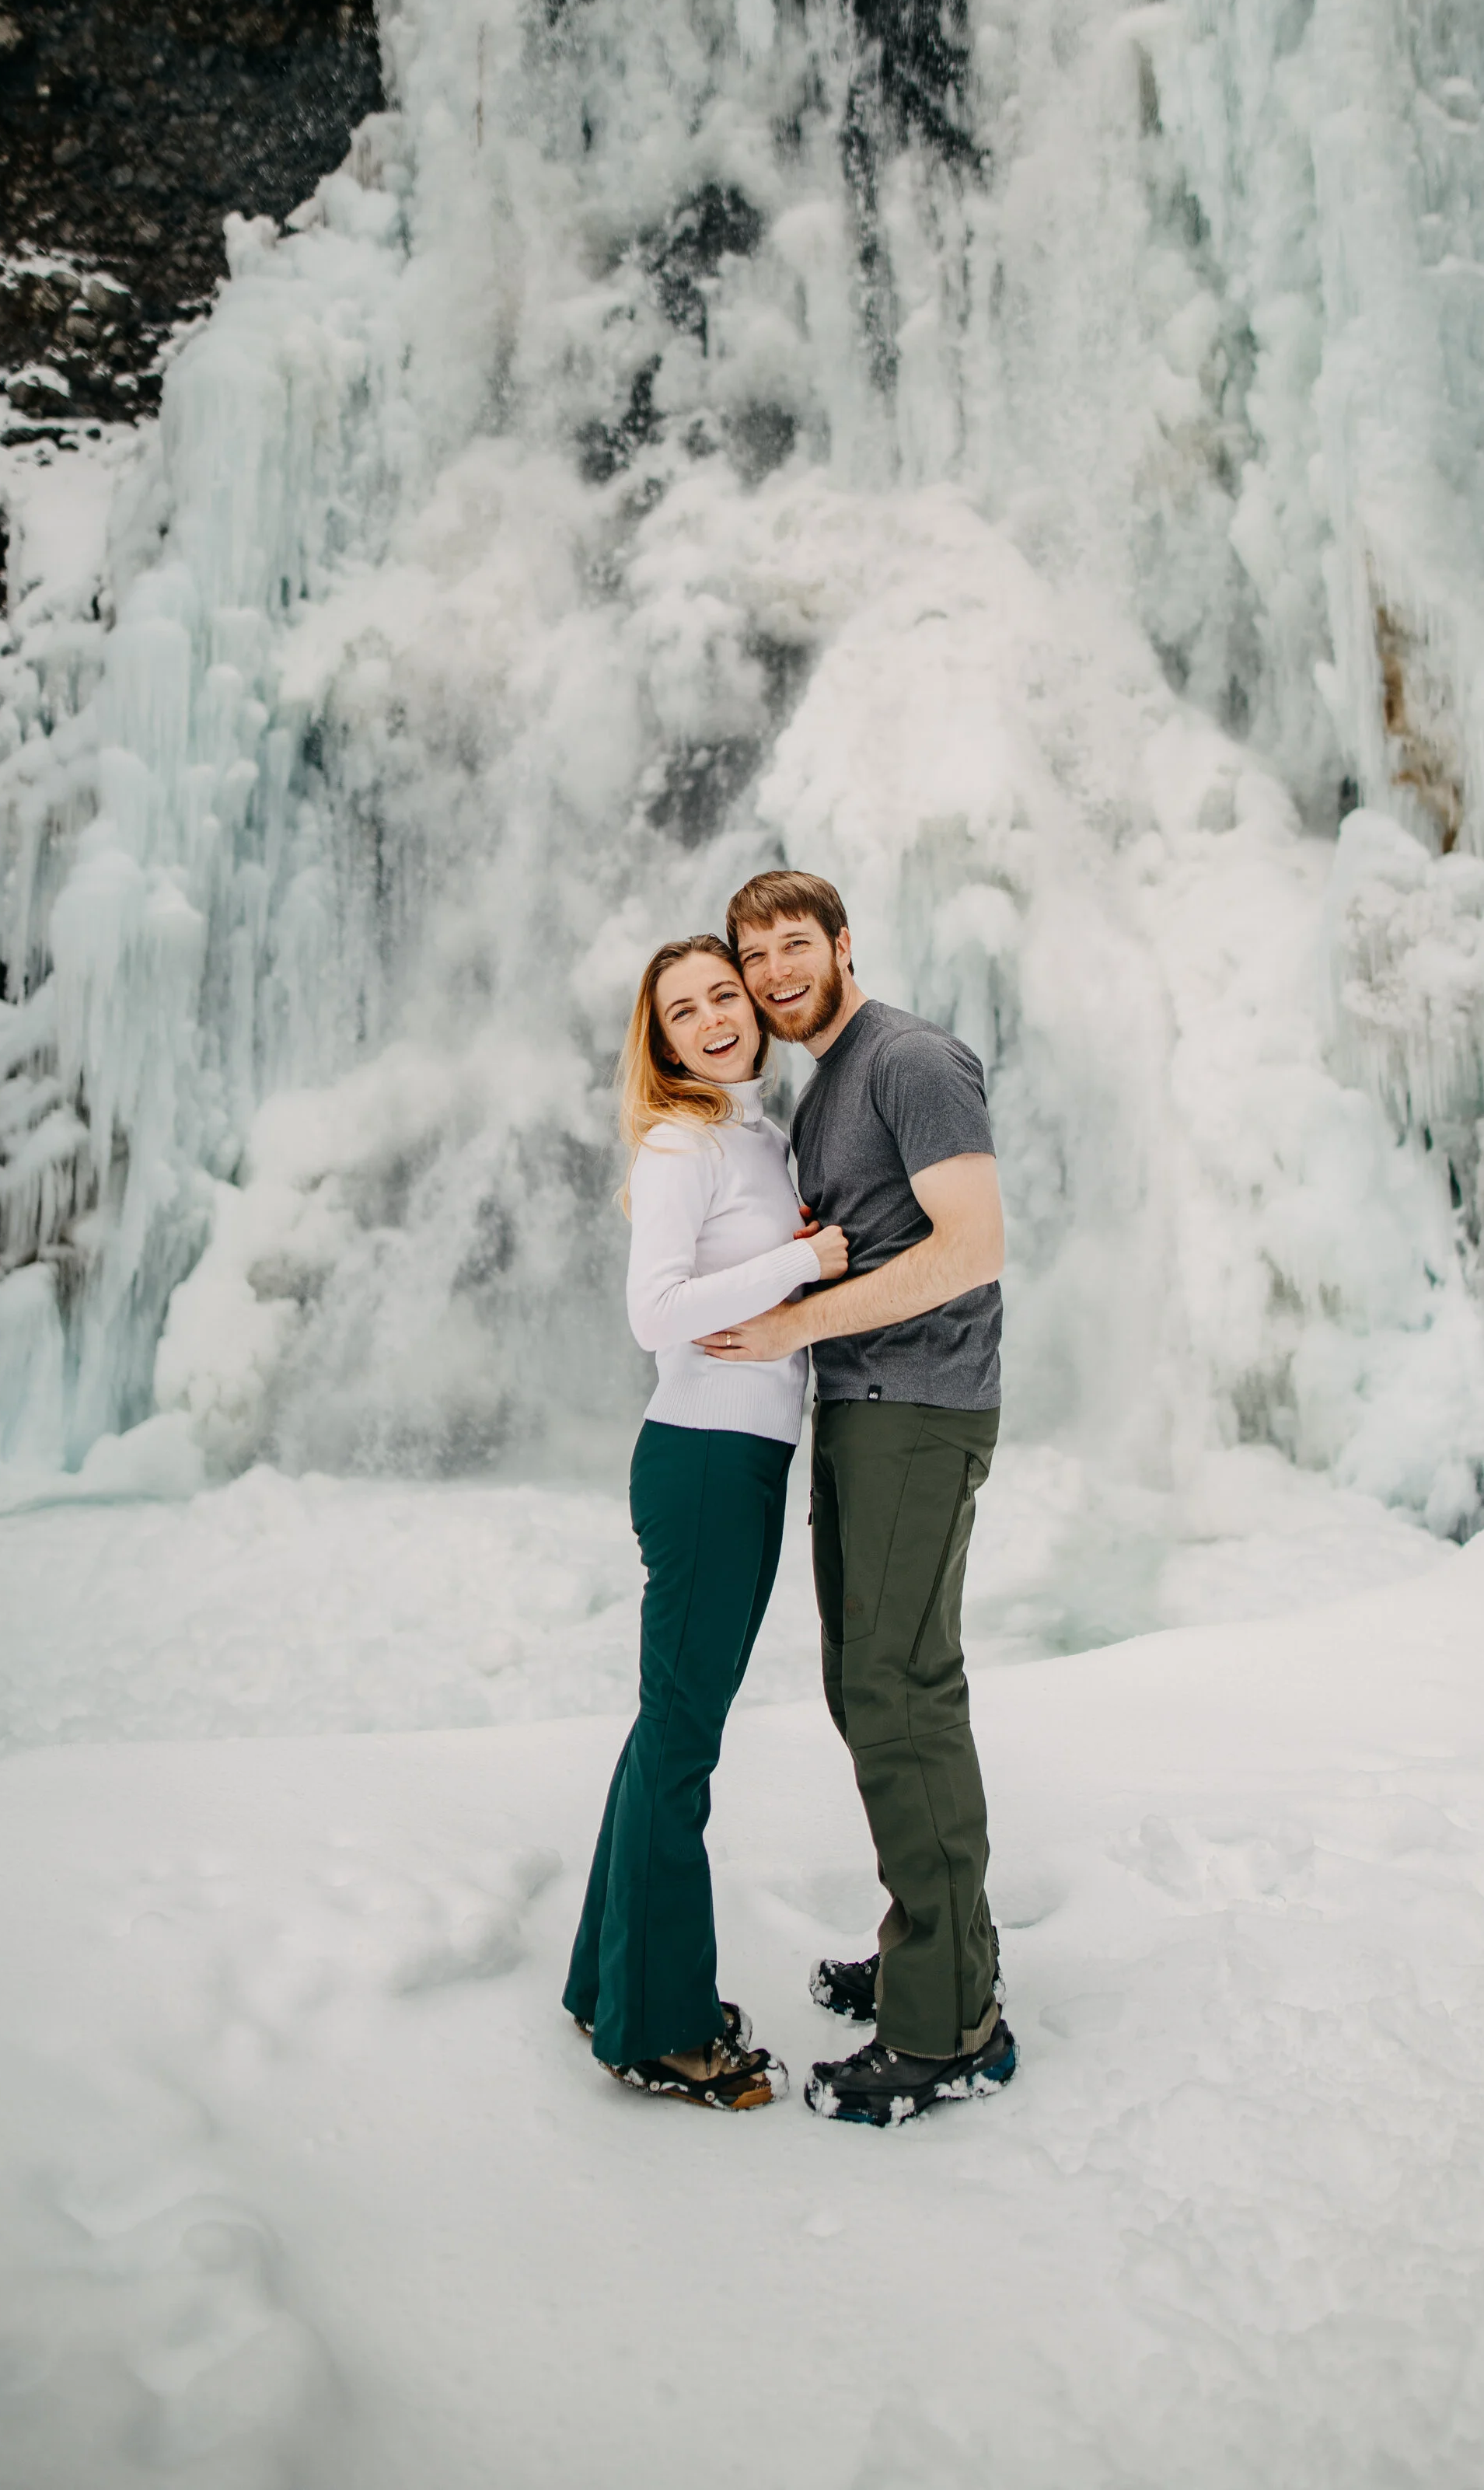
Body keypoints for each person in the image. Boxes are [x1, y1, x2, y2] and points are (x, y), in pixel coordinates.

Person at [704, 870, 1018, 2127]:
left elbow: (973, 1245)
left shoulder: (909, 1059)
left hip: (919, 1405)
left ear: (843, 945)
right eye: (753, 956)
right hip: (863, 1405)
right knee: (868, 1684)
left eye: (795, 944)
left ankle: (949, 2027)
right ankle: (936, 1953)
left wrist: (795, 1325)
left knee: (900, 1687)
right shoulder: (827, 1084)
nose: (774, 973)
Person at [563, 933, 850, 2110]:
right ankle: (662, 2031)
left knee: (668, 1731)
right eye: (684, 1011)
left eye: (725, 995)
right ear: (663, 1039)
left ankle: (609, 1981)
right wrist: (804, 1262)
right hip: (702, 1461)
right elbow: (656, 1312)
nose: (715, 1019)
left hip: (744, 1459)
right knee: (682, 1743)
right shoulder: (682, 1141)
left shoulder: (758, 1134)